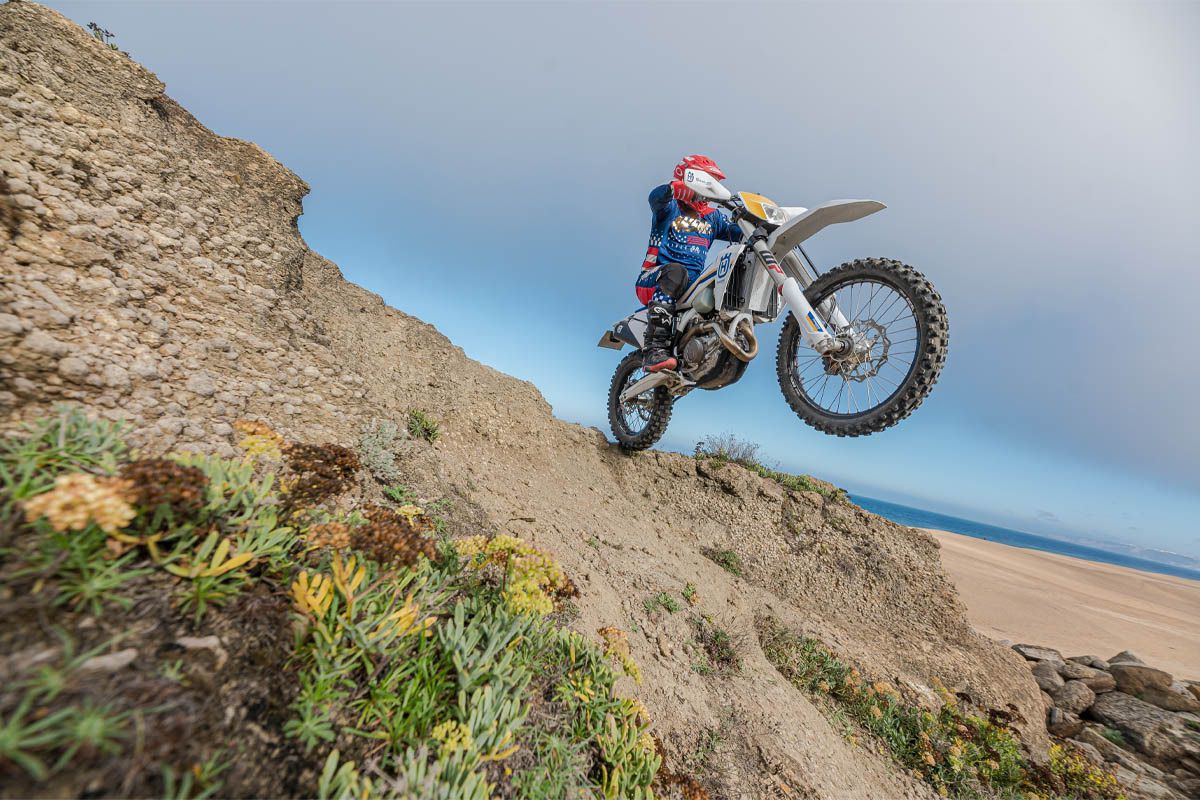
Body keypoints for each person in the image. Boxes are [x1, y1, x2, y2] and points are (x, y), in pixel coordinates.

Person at [635, 155, 743, 372]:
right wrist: (673, 189)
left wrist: (757, 222)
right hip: (654, 278)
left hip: (692, 286)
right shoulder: (670, 208)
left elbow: (739, 233)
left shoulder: (713, 217)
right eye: (708, 180)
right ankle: (655, 349)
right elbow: (655, 198)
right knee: (676, 271)